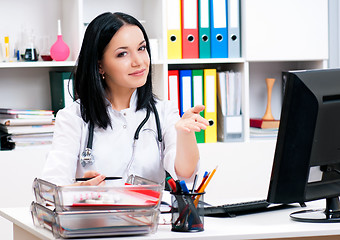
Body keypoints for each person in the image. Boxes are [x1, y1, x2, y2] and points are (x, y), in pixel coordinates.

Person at [41, 12, 209, 186]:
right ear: (100, 65)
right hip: (96, 213)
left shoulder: (164, 112)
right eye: (122, 54)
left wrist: (185, 135)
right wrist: (78, 191)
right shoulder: (73, 117)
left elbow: (185, 172)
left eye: (141, 48)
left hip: (149, 213)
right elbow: (51, 188)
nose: (138, 61)